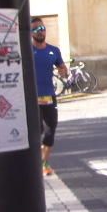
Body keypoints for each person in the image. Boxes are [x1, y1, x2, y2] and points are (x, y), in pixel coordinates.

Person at [31, 17, 68, 176]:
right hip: (32, 98)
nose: (40, 31)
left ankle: (44, 162)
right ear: (31, 33)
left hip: (49, 96)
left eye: (42, 28)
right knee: (36, 130)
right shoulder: (27, 50)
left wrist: (64, 71)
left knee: (50, 129)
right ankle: (39, 162)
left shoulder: (53, 50)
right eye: (36, 29)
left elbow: (62, 67)